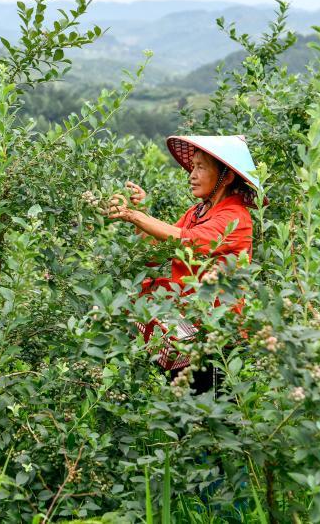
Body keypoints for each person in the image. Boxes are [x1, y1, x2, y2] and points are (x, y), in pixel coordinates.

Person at [107, 135, 258, 392]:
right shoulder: (196, 212)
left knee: (215, 417)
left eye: (201, 167)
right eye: (193, 167)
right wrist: (139, 215)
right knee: (186, 416)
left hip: (217, 337)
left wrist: (136, 216)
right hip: (188, 330)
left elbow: (189, 241)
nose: (192, 175)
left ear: (227, 176)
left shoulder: (235, 216)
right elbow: (158, 252)